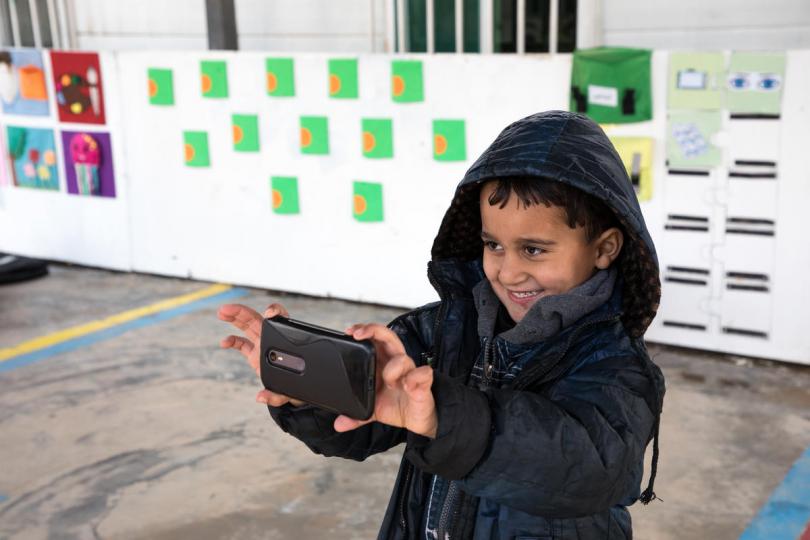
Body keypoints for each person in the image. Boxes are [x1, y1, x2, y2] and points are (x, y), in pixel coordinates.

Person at [218, 110, 665, 539]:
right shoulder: (438, 331)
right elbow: (364, 426)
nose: (508, 273)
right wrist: (312, 395)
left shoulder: (617, 366)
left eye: (533, 250)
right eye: (493, 244)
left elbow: (587, 470)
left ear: (604, 248)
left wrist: (444, 417)